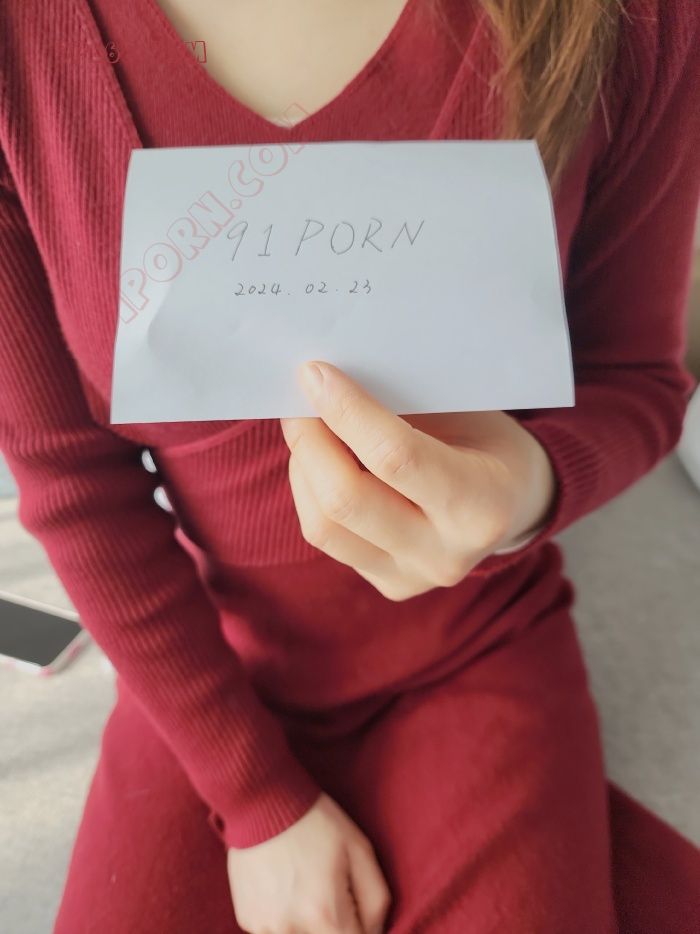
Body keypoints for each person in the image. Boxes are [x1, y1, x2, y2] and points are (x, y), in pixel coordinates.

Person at [1, 1, 698, 931]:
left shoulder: (636, 19)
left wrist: (525, 491)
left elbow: (637, 378)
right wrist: (257, 800)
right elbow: (72, 482)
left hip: (481, 639)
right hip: (202, 661)